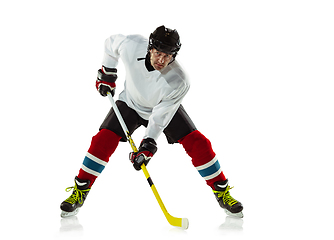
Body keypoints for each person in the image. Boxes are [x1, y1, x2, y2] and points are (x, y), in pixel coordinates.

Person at [60, 25, 243, 218]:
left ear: (174, 55)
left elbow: (160, 117)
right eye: (157, 53)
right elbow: (110, 43)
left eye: (167, 56)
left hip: (161, 108)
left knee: (199, 144)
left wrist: (148, 144)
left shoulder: (179, 81)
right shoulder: (131, 45)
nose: (161, 60)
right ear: (149, 48)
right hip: (130, 102)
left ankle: (222, 192)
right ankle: (79, 192)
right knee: (102, 141)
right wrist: (108, 72)